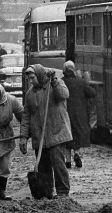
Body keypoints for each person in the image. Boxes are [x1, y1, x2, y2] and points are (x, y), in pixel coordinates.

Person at [19, 64, 72, 199]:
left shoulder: (54, 85)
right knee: (43, 166)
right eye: (29, 78)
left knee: (58, 163)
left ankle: (62, 192)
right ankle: (46, 193)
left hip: (56, 133)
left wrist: (54, 80)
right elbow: (26, 116)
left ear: (40, 75)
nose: (30, 81)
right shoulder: (30, 93)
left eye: (32, 77)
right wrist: (24, 137)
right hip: (39, 136)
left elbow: (64, 95)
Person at [62, 60, 96, 168]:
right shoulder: (80, 82)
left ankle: (67, 161)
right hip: (79, 114)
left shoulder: (61, 82)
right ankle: (76, 153)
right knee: (77, 135)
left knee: (66, 136)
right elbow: (92, 93)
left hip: (65, 114)